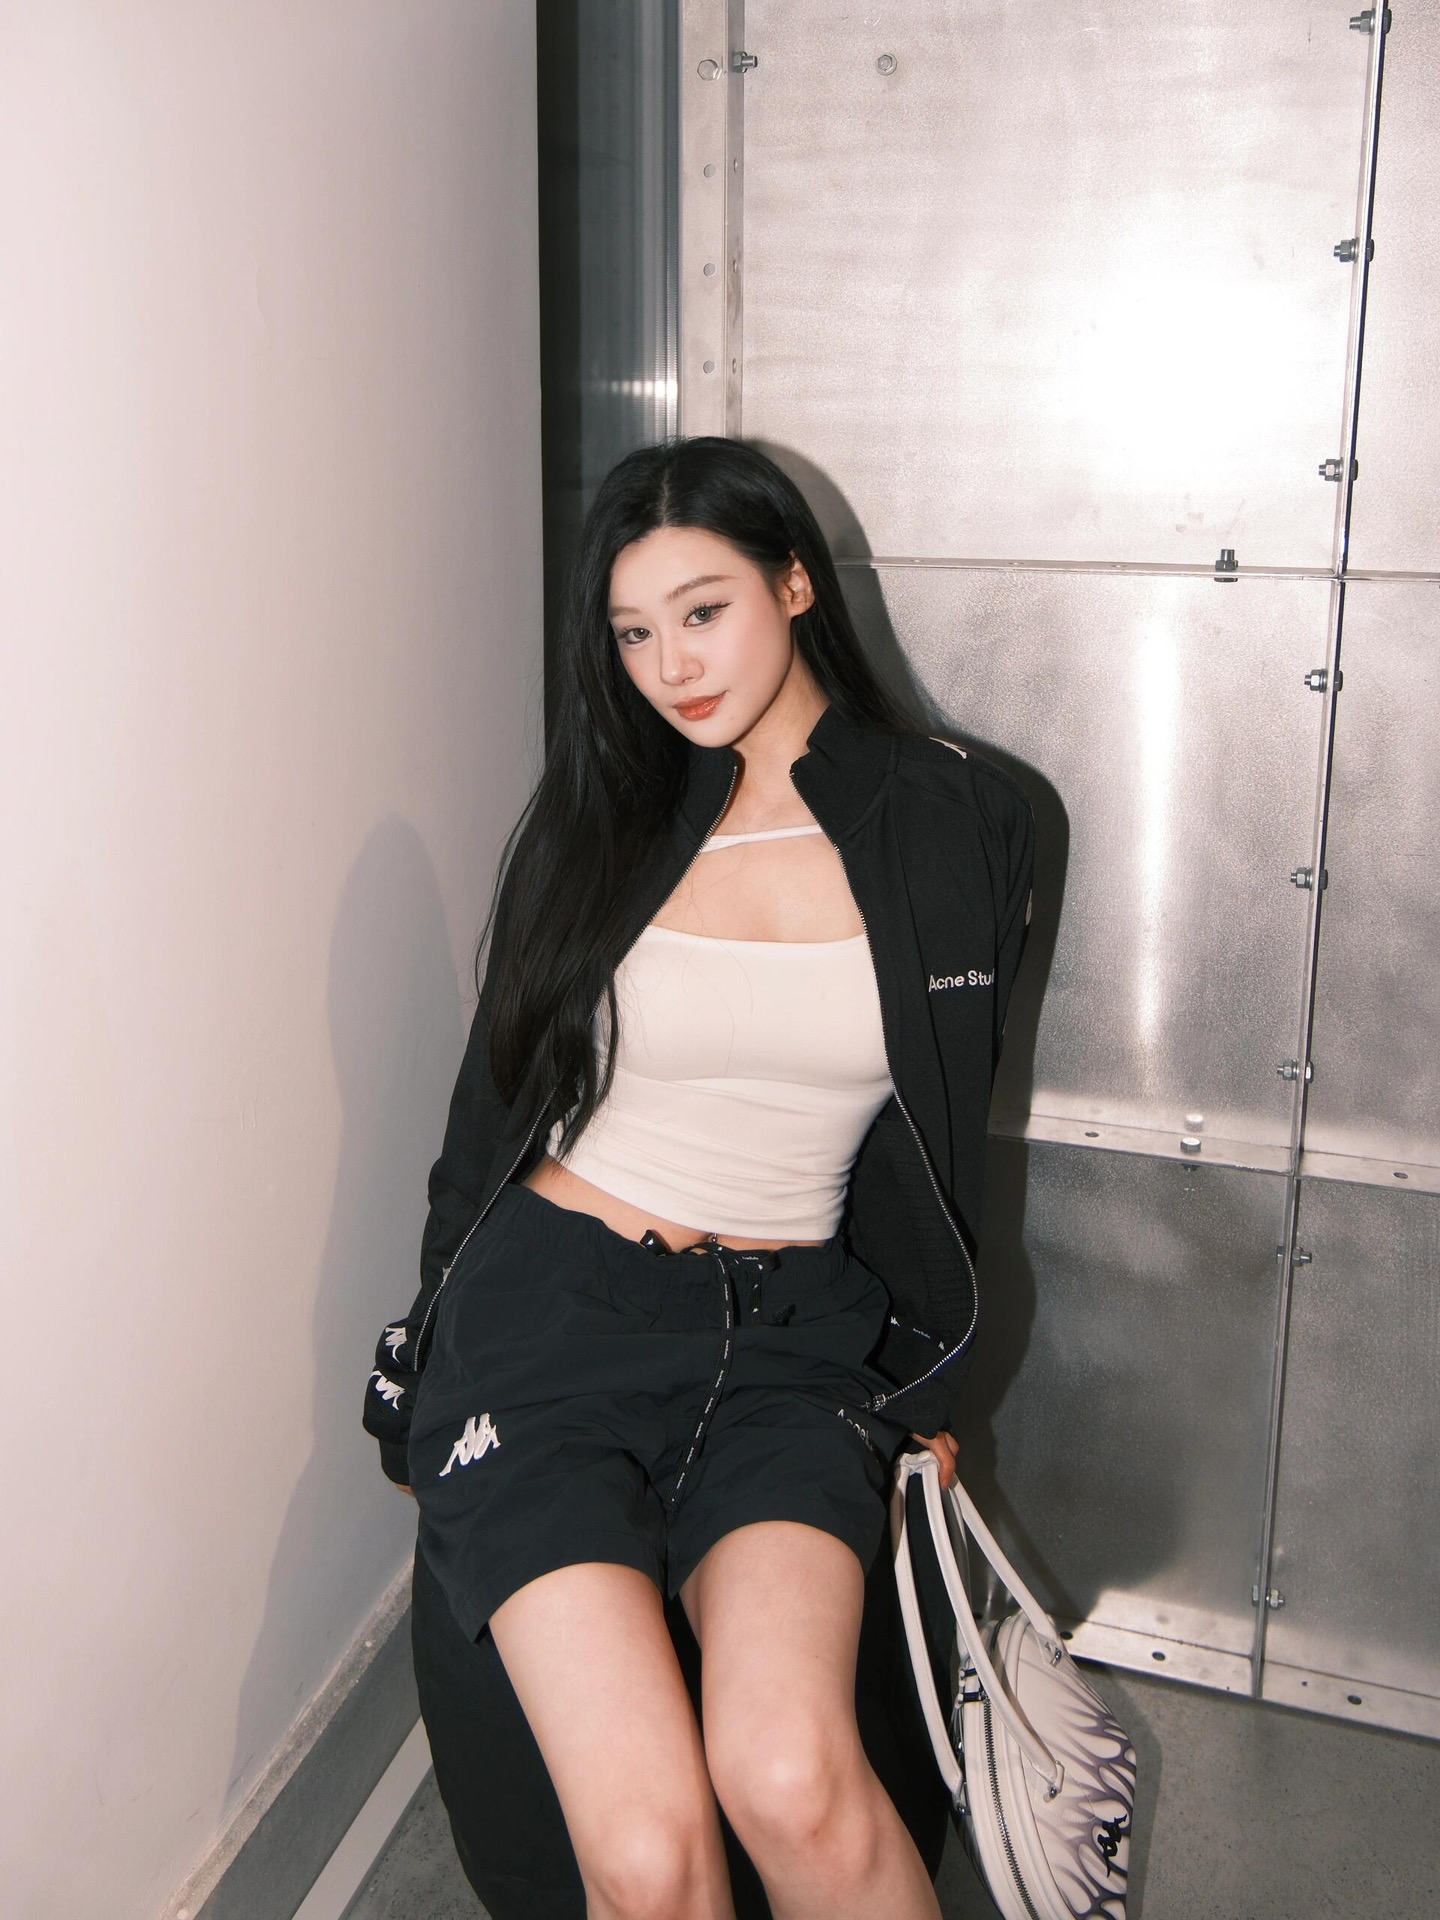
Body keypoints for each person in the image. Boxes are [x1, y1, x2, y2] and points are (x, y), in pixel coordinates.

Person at [363, 435, 1035, 1920]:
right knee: (649, 1851)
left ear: (795, 585)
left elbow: (936, 1141)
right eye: (633, 632)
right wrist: (417, 1352)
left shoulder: (963, 823)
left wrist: (922, 1384)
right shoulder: (600, 823)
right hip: (554, 1321)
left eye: (703, 610)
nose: (670, 664)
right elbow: (488, 1118)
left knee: (793, 1779)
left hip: (791, 1339)